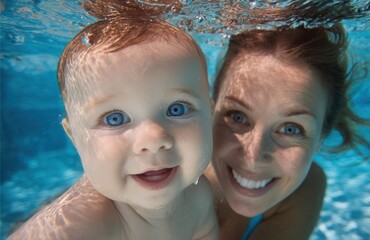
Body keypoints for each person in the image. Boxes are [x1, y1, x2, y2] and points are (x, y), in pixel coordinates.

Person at [8, 1, 218, 239]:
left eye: (177, 109)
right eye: (115, 119)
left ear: (210, 115)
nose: (153, 139)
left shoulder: (200, 195)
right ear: (75, 138)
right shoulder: (77, 228)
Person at [205, 23, 370, 239]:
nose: (254, 157)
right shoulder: (167, 180)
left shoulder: (303, 189)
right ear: (210, 110)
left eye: (290, 129)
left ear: (321, 139)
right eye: (237, 116)